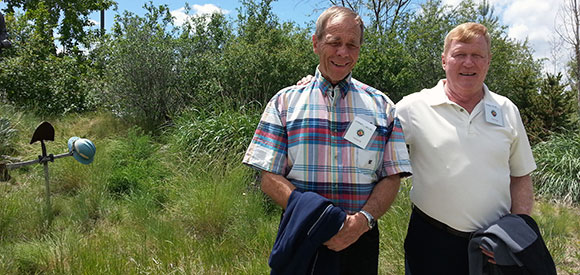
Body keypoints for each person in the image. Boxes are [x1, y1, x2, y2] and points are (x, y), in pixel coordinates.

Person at [243, 6, 411, 274]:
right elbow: (268, 176)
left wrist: (361, 222)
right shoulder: (285, 102)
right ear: (316, 43)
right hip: (302, 232)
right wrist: (319, 218)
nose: (343, 52)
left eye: (351, 44)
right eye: (334, 42)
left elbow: (391, 177)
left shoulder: (383, 107)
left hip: (360, 238)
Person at [396, 22, 546, 274]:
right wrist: (318, 81)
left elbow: (520, 176)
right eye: (459, 55)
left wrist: (513, 235)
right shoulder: (413, 107)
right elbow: (372, 127)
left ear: (488, 62)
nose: (468, 63)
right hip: (430, 241)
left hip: (492, 243)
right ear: (444, 60)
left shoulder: (507, 109)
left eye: (477, 55)